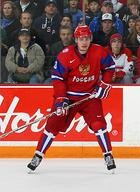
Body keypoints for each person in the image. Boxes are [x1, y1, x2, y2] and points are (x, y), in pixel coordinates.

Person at [27, 25, 117, 173]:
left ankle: (108, 155)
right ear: (75, 40)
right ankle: (38, 155)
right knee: (52, 125)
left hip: (90, 97)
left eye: (87, 38)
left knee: (98, 124)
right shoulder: (65, 55)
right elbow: (57, 79)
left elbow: (109, 68)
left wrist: (104, 84)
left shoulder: (99, 51)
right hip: (68, 98)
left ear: (91, 39)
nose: (84, 42)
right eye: (81, 39)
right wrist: (61, 99)